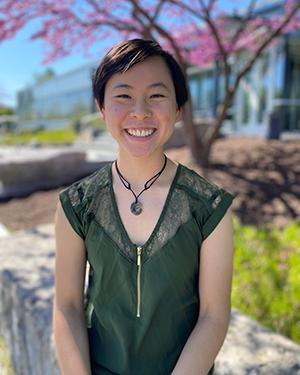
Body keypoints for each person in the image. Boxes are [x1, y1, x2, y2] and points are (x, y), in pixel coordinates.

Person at [53, 38, 235, 375]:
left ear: (178, 109)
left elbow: (213, 315)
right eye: (123, 96)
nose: (140, 111)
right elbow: (66, 307)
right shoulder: (76, 206)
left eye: (156, 95)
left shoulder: (210, 209)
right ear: (102, 107)